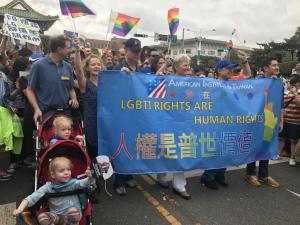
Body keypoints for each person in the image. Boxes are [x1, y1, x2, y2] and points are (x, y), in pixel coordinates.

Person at [13, 157, 93, 225]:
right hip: (57, 217)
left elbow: (84, 183)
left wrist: (89, 177)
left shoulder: (73, 183)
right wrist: (20, 209)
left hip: (74, 215)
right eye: (61, 171)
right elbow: (32, 198)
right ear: (53, 174)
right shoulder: (48, 187)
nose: (66, 173)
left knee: (72, 212)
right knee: (42, 217)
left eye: (68, 170)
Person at [156, 54, 191, 200]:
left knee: (181, 151)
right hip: (167, 121)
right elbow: (153, 90)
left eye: (188, 65)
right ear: (176, 67)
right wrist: (158, 75)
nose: (188, 67)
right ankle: (161, 176)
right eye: (184, 65)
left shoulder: (192, 81)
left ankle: (179, 185)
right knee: (166, 148)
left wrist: (203, 82)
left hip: (184, 122)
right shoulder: (166, 80)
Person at [245, 57, 283, 188]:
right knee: (254, 146)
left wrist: (281, 121)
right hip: (257, 121)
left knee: (267, 145)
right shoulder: (257, 82)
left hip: (271, 119)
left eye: (277, 65)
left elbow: (280, 105)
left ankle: (264, 174)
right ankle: (250, 174)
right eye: (274, 65)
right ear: (266, 68)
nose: (277, 67)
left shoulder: (279, 84)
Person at [26, 35, 79, 124]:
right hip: (46, 113)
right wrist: (36, 109)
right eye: (68, 48)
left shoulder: (68, 66)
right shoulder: (38, 65)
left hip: (65, 112)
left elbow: (71, 88)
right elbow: (29, 90)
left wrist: (74, 98)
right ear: (59, 49)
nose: (70, 50)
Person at [112, 38, 141, 195]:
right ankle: (119, 181)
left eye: (138, 52)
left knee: (134, 146)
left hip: (137, 115)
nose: (137, 54)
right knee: (122, 147)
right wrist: (120, 76)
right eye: (134, 51)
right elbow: (113, 90)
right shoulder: (118, 67)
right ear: (126, 51)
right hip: (123, 114)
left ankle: (129, 175)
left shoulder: (140, 68)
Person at [73, 38, 102, 159]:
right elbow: (79, 71)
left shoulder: (106, 83)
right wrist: (77, 53)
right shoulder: (85, 84)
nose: (96, 66)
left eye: (98, 64)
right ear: (88, 67)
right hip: (91, 122)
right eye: (93, 64)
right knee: (93, 152)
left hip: (104, 121)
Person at [278, 76, 300, 166]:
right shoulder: (286, 93)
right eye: (291, 85)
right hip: (284, 121)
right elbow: (281, 106)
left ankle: (292, 158)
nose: (292, 87)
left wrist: (295, 94)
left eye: (294, 85)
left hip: (295, 122)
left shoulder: (297, 94)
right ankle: (278, 154)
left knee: (293, 141)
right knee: (281, 138)